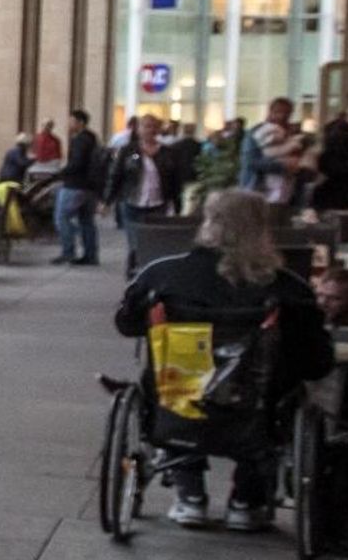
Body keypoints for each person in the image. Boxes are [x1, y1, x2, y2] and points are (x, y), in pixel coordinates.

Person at [115, 190, 333, 531]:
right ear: (262, 230)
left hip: (180, 396)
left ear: (208, 224)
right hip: (258, 408)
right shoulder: (289, 288)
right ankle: (246, 501)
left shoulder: (164, 275)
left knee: (177, 375)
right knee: (279, 388)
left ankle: (190, 496)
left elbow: (126, 324)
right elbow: (317, 361)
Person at [104, 114, 185, 274]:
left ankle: (149, 273)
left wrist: (177, 205)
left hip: (157, 204)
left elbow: (175, 181)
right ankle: (134, 273)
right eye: (146, 126)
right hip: (132, 202)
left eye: (153, 126)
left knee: (153, 242)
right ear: (139, 129)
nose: (150, 130)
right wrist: (107, 200)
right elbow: (116, 175)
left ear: (159, 129)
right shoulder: (128, 151)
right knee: (135, 242)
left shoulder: (168, 152)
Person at [53, 109, 101, 265]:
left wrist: (61, 172)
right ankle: (90, 254)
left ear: (80, 123)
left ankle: (68, 252)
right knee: (87, 221)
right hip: (90, 187)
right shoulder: (93, 138)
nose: (69, 124)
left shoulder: (80, 140)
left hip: (75, 185)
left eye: (71, 121)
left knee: (62, 218)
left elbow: (77, 163)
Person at [239, 97, 303, 203]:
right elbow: (250, 161)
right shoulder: (256, 133)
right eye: (278, 112)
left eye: (287, 113)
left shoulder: (291, 134)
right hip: (259, 189)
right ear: (270, 111)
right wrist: (283, 166)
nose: (282, 116)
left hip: (285, 192)